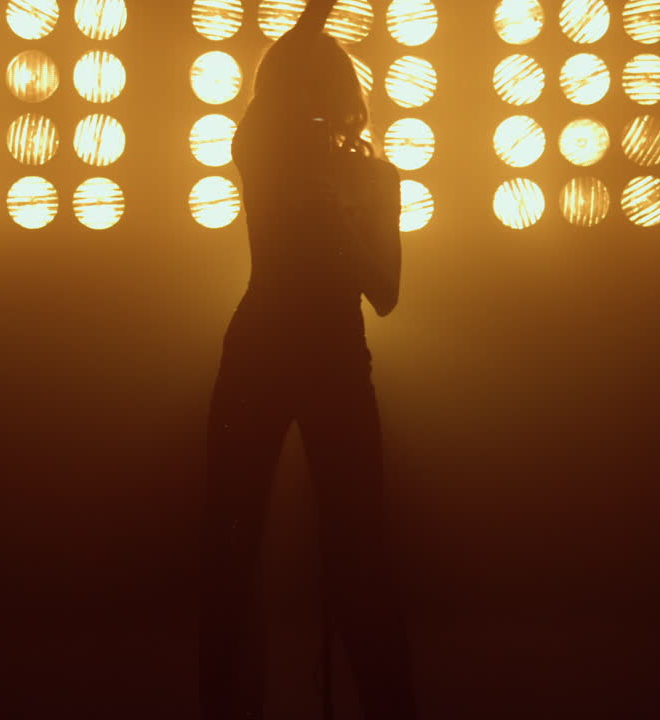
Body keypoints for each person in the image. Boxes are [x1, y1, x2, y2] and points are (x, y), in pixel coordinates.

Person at [198, 3, 417, 718]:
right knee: (231, 537)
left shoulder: (377, 181)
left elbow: (384, 294)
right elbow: (283, 72)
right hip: (261, 350)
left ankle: (388, 703)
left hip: (334, 360)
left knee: (360, 544)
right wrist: (315, 17)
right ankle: (228, 701)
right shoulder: (260, 151)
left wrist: (345, 228)